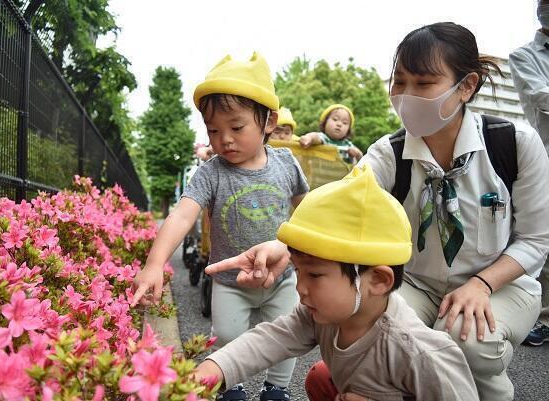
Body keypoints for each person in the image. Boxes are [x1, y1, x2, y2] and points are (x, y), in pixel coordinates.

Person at [206, 23, 549, 401]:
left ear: (466, 86)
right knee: (362, 322)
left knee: (465, 339)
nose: (406, 96)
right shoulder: (389, 153)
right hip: (419, 285)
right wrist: (284, 246)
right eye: (399, 82)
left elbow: (536, 239)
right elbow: (337, 210)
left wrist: (481, 285)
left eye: (423, 84)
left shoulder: (514, 144)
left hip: (502, 284)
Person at [196, 165, 479, 401]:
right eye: (298, 271)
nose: (300, 287)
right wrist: (211, 370)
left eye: (315, 275)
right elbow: (268, 339)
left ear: (378, 280)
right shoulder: (323, 314)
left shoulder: (419, 353)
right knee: (321, 378)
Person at [130, 52, 309, 401]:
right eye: (213, 130)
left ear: (268, 122)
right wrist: (154, 263)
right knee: (226, 334)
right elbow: (182, 215)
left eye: (236, 127)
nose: (224, 139)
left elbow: (308, 210)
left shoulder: (287, 164)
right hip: (230, 281)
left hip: (282, 275)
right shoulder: (211, 172)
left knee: (289, 335)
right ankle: (233, 386)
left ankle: (277, 389)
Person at [509, 0, 549, 346]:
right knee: (541, 238)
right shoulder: (525, 56)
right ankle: (543, 316)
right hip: (546, 156)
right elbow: (542, 97)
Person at [298, 104, 363, 163]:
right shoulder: (324, 138)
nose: (339, 124)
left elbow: (362, 158)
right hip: (320, 175)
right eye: (335, 119)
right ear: (325, 122)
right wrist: (308, 138)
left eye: (345, 123)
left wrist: (357, 154)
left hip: (343, 175)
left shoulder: (348, 145)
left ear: (348, 130)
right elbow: (315, 137)